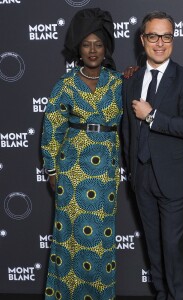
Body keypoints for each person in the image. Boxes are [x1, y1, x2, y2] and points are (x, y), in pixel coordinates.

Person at [41, 8, 122, 300]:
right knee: (70, 240)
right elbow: (52, 130)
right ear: (79, 48)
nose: (92, 50)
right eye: (87, 44)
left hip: (106, 175)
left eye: (98, 44)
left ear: (105, 49)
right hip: (72, 174)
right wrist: (52, 170)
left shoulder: (118, 84)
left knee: (101, 240)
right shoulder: (64, 86)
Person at [122, 11, 183, 300]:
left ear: (173, 39)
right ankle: (161, 295)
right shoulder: (130, 79)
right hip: (141, 178)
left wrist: (152, 116)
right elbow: (126, 131)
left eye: (166, 36)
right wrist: (132, 169)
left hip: (173, 180)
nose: (160, 43)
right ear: (143, 39)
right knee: (154, 248)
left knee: (172, 247)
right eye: (153, 36)